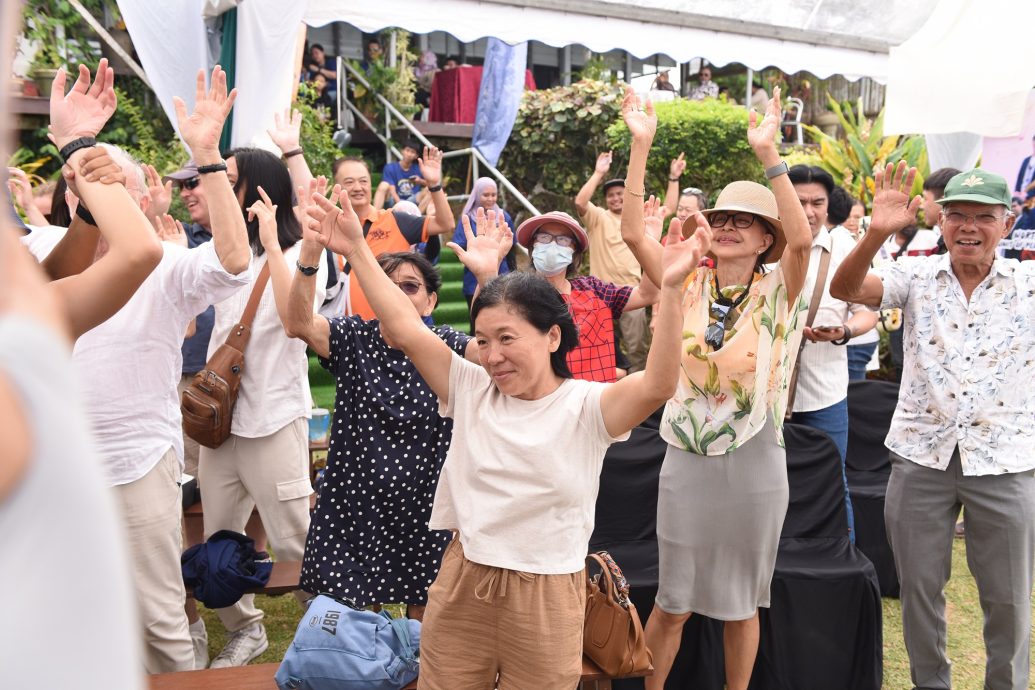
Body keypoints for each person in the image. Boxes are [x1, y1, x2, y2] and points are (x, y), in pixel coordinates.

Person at [302, 141, 709, 687]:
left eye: (507, 338)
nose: (492, 354)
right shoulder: (470, 385)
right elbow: (403, 328)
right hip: (463, 578)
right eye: (483, 339)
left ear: (552, 336)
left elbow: (659, 383)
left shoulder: (587, 405)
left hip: (547, 593)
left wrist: (675, 289)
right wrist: (354, 246)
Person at [618, 85, 811, 690]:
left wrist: (769, 156)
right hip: (687, 457)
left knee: (741, 603)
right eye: (721, 217)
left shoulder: (782, 287)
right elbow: (631, 235)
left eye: (745, 222)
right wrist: (639, 147)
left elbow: (803, 240)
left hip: (756, 459)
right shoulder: (686, 280)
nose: (728, 228)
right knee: (672, 600)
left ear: (764, 241)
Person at [69, 66, 252, 673]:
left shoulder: (166, 263)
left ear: (141, 198)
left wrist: (207, 157)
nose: (98, 193)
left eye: (112, 182)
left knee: (157, 616)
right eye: (87, 182)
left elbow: (231, 262)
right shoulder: (41, 251)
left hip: (136, 463)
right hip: (57, 470)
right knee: (76, 613)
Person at [830, 163, 1035, 690]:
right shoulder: (915, 274)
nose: (969, 227)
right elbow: (846, 286)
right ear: (940, 222)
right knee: (920, 591)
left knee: (1009, 598)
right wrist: (875, 232)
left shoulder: (1028, 284)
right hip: (922, 458)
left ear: (1006, 224)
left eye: (983, 217)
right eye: (957, 215)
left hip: (1005, 461)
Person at [285, 211, 492, 621]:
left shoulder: (444, 342)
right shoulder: (353, 337)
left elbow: (489, 354)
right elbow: (298, 323)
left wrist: (486, 279)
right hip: (355, 500)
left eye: (411, 287)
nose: (398, 295)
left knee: (426, 619)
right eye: (388, 286)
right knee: (358, 622)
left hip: (427, 501)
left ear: (431, 300)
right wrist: (310, 252)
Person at [197, 147, 327, 668]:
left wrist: (273, 240)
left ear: (258, 188)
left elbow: (294, 316)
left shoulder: (304, 253)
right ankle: (244, 629)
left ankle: (333, 625)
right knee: (218, 541)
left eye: (230, 180)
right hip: (220, 423)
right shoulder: (221, 254)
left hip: (273, 418)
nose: (220, 190)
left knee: (294, 538)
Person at [785, 165, 878, 464]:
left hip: (825, 394)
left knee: (832, 482)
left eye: (817, 203)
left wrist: (845, 331)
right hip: (765, 393)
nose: (808, 212)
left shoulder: (845, 247)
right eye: (799, 202)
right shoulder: (766, 245)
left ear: (828, 206)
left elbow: (867, 312)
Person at [331, 149, 455, 319]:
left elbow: (445, 223)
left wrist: (434, 184)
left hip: (396, 331)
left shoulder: (395, 221)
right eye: (349, 182)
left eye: (363, 181)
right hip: (350, 333)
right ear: (336, 186)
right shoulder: (331, 230)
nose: (358, 187)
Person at [575, 151, 651, 373]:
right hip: (600, 294)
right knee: (598, 345)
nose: (616, 198)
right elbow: (580, 202)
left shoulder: (638, 221)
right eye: (611, 195)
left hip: (632, 293)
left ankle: (640, 398)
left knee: (637, 347)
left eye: (620, 194)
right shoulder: (599, 218)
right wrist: (599, 172)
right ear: (606, 200)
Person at [451, 177, 515, 320]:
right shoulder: (467, 219)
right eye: (486, 195)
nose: (490, 199)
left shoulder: (504, 217)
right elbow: (460, 244)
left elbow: (512, 249)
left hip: (502, 276)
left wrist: (512, 272)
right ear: (477, 195)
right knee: (477, 319)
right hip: (473, 279)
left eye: (494, 195)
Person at [382, 140, 425, 205]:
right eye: (407, 150)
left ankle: (418, 214)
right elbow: (392, 190)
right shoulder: (390, 167)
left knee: (429, 190)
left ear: (416, 156)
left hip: (413, 200)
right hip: (395, 200)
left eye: (412, 152)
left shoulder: (419, 168)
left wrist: (420, 181)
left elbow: (431, 184)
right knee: (383, 186)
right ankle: (375, 214)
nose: (409, 154)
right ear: (402, 151)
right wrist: (401, 205)